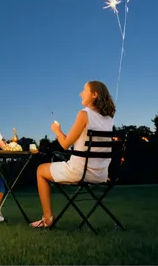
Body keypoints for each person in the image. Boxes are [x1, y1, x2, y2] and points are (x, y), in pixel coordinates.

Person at [30, 81, 116, 228]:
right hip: (101, 175)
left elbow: (65, 144)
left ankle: (47, 218)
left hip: (79, 172)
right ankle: (47, 218)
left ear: (94, 95)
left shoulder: (84, 114)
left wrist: (57, 130)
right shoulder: (109, 119)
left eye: (85, 90)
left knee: (40, 170)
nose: (81, 93)